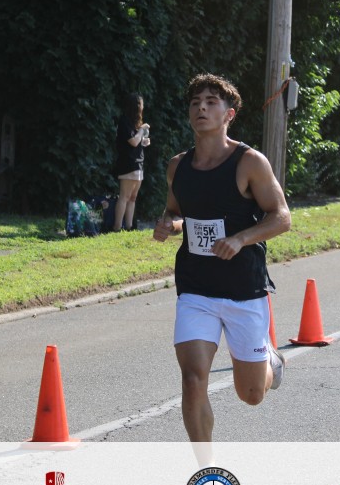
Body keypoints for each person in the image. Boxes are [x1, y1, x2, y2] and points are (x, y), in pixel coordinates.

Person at [152, 73, 291, 449]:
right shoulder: (178, 166)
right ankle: (206, 468)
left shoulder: (249, 162)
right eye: (195, 102)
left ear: (229, 114)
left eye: (211, 102)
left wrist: (241, 239)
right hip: (196, 288)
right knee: (192, 378)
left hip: (243, 288)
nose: (201, 108)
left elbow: (281, 217)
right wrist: (169, 224)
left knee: (251, 394)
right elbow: (176, 211)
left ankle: (270, 361)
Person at [114, 93, 151, 231]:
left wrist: (144, 141)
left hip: (138, 163)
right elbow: (133, 142)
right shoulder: (124, 121)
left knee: (133, 197)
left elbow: (137, 142)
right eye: (141, 104)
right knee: (124, 196)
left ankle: (129, 227)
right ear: (136, 106)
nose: (143, 106)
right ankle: (117, 227)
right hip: (128, 163)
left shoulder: (135, 123)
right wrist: (141, 130)